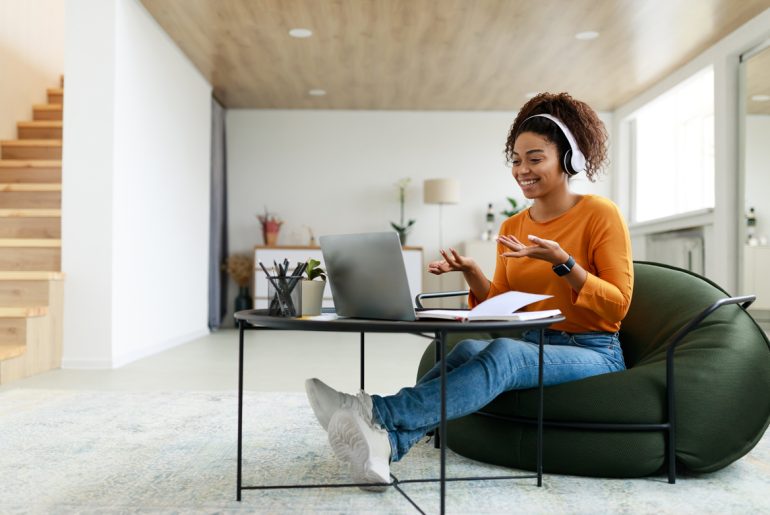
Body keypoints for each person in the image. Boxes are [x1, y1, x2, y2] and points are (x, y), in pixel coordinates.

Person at [305, 92, 633, 490]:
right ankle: (388, 442)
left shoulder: (600, 214)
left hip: (593, 351)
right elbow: (503, 306)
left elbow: (617, 304)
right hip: (534, 341)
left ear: (569, 161)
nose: (522, 169)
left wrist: (564, 263)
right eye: (515, 159)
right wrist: (473, 272)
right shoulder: (513, 227)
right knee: (467, 351)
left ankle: (373, 413)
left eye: (535, 158)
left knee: (504, 355)